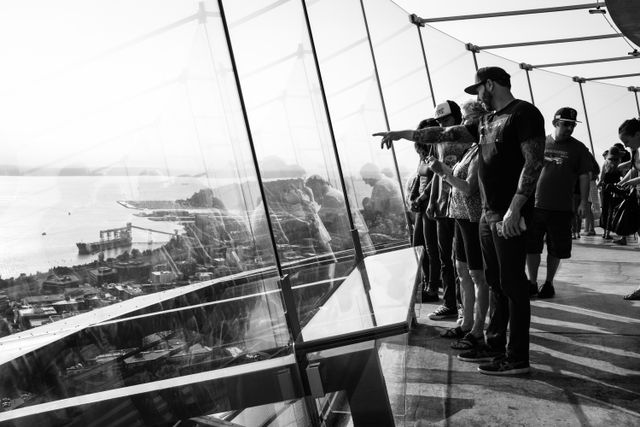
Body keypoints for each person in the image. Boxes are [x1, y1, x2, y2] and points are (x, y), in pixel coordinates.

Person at [374, 66, 545, 375]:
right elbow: (444, 133)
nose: (478, 96)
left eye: (479, 89)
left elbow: (533, 163)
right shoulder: (486, 122)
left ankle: (518, 357)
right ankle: (494, 345)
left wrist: (515, 208)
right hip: (487, 215)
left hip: (509, 214)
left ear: (490, 85)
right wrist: (402, 134)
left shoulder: (524, 114)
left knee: (513, 285)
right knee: (495, 282)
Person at [425, 99, 491, 350]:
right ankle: (467, 324)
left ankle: (477, 330)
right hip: (460, 218)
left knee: (477, 275)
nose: (464, 123)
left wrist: (444, 173)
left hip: (472, 219)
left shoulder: (480, 150)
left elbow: (468, 188)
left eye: (466, 119)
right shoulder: (473, 149)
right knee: (463, 272)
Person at [525, 107, 592, 299]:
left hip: (562, 208)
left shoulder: (579, 148)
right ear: (555, 123)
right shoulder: (540, 143)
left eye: (572, 125)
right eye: (565, 124)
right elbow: (527, 170)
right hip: (536, 206)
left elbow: (584, 176)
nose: (569, 128)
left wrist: (583, 203)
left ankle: (548, 283)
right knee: (532, 247)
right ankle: (531, 282)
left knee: (556, 249)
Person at [426, 101, 466, 322]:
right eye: (439, 121)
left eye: (446, 120)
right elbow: (435, 171)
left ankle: (463, 305)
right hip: (442, 206)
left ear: (457, 117)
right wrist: (432, 200)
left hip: (461, 205)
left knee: (460, 259)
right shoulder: (438, 141)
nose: (442, 124)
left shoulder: (467, 137)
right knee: (445, 259)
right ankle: (449, 303)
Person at [409, 118, 442, 303]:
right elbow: (418, 178)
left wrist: (423, 197)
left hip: (432, 203)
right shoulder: (424, 153)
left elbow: (438, 176)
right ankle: (427, 283)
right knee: (418, 245)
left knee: (431, 248)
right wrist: (413, 197)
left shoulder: (437, 150)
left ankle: (432, 287)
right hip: (422, 204)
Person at [617, 118, 640, 300]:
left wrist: (634, 181)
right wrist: (623, 182)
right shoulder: (636, 151)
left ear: (637, 134)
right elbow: (635, 170)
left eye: (627, 141)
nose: (626, 146)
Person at [598, 146, 623, 239]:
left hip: (605, 189)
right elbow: (623, 177)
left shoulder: (605, 163)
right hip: (615, 189)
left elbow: (601, 179)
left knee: (605, 210)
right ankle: (609, 232)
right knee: (612, 210)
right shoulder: (619, 164)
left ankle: (605, 233)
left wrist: (598, 185)